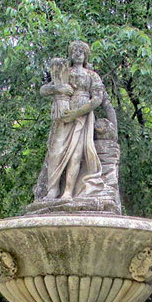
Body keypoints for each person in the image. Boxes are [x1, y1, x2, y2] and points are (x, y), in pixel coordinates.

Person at [39, 40, 106, 200]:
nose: (77, 54)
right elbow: (43, 90)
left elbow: (97, 99)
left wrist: (76, 113)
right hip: (63, 115)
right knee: (56, 152)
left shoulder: (92, 75)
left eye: (81, 51)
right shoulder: (64, 73)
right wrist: (57, 88)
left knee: (76, 154)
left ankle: (68, 191)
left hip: (82, 115)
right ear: (70, 54)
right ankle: (52, 190)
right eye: (74, 51)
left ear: (86, 55)